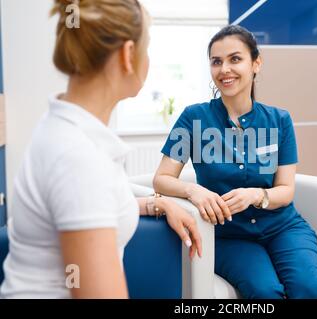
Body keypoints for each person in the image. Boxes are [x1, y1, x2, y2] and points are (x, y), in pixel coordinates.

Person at [0, 0, 201, 299]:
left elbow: (90, 208)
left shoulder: (68, 130)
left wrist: (157, 203)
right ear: (128, 54)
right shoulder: (79, 159)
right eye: (147, 48)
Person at [153, 25, 317, 299]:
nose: (225, 69)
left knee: (307, 289)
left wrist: (256, 195)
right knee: (264, 292)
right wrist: (193, 190)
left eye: (235, 59)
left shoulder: (279, 120)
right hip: (229, 236)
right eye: (216, 61)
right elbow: (161, 179)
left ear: (255, 63)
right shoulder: (192, 118)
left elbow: (286, 190)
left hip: (283, 227)